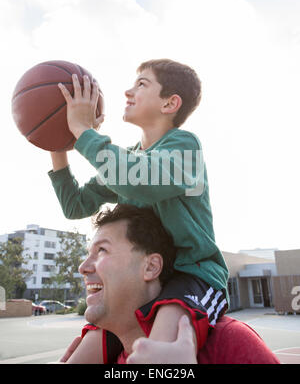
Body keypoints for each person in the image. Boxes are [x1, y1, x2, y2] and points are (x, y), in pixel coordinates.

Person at [48, 59, 229, 360]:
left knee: (160, 341)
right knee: (85, 352)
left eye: (141, 84)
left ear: (170, 103)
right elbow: (75, 204)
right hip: (142, 280)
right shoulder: (127, 159)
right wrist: (57, 142)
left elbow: (139, 180)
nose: (128, 91)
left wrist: (83, 131)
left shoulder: (184, 147)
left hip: (191, 274)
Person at [59, 204, 279, 365]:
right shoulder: (99, 357)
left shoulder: (229, 344)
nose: (83, 267)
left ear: (151, 267)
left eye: (102, 251)